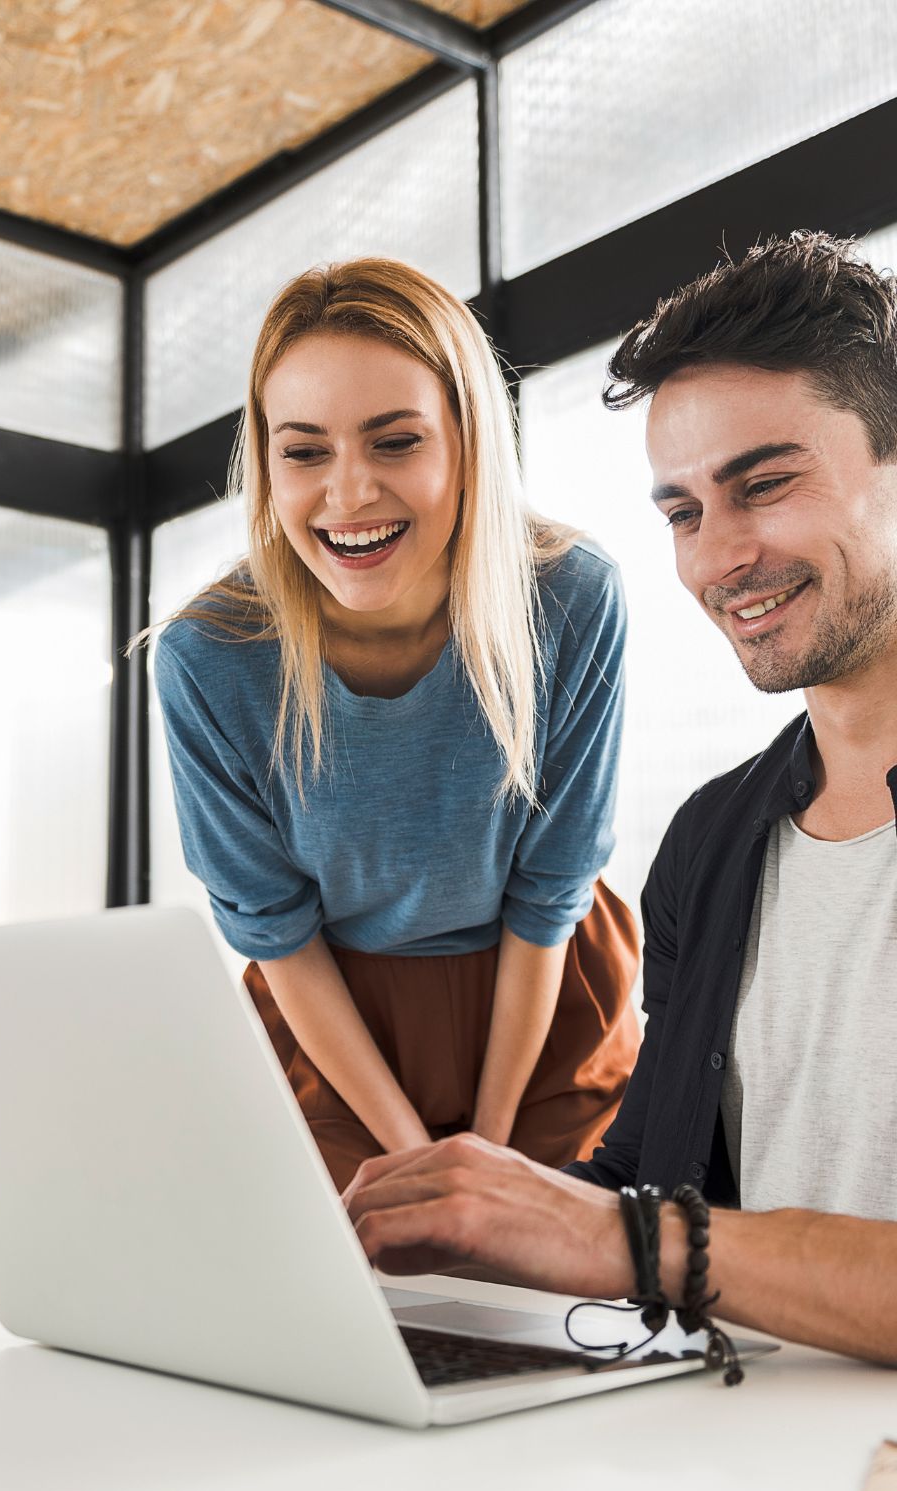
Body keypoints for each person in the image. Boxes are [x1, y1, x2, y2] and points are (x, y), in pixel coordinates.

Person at [344, 232, 897, 1366]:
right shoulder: (713, 840)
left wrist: (623, 1236)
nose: (719, 558)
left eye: (765, 484)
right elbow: (643, 1187)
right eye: (683, 512)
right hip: (748, 1457)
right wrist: (439, 1230)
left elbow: (639, 1232)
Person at [154, 258, 640, 1193]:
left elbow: (551, 893)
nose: (348, 495)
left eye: (395, 442)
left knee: (556, 1280)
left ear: (467, 443)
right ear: (266, 463)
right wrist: (419, 1155)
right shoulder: (208, 657)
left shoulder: (575, 599)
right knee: (363, 1292)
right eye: (303, 452)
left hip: (542, 997)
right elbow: (276, 930)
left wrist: (490, 1154)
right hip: (334, 1022)